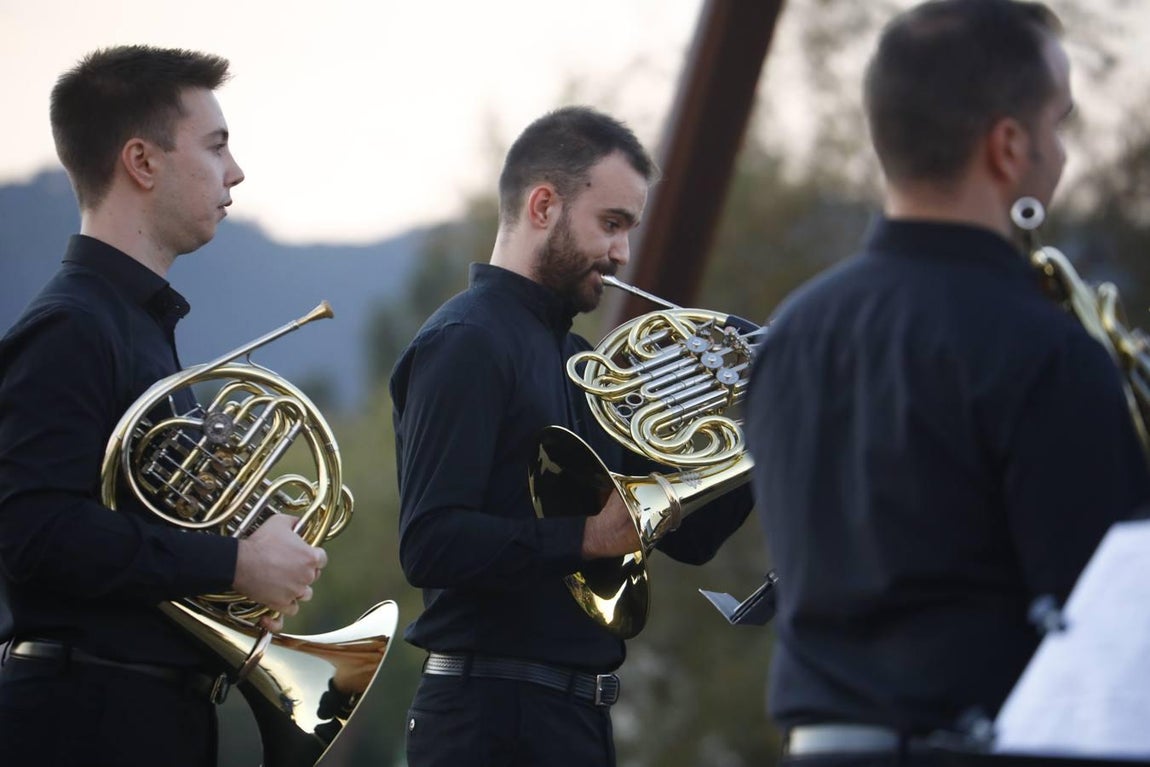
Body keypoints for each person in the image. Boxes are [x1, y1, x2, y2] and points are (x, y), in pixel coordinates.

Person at [745, 1, 1150, 765]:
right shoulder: (1046, 351)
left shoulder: (792, 333)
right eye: (1058, 123)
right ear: (1008, 146)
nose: (1061, 151)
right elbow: (1105, 636)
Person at [390, 105, 753, 767]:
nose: (622, 252)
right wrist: (588, 536)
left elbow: (694, 536)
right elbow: (430, 542)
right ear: (543, 205)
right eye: (611, 225)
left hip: (575, 717)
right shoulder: (467, 341)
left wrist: (763, 421)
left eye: (629, 230)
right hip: (488, 719)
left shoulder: (583, 361)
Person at [0, 46, 327, 767]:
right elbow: (37, 532)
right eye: (215, 147)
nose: (235, 171)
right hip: (87, 721)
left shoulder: (137, 328)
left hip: (145, 714)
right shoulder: (71, 326)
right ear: (142, 163)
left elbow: (134, 529)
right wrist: (233, 560)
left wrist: (249, 553)